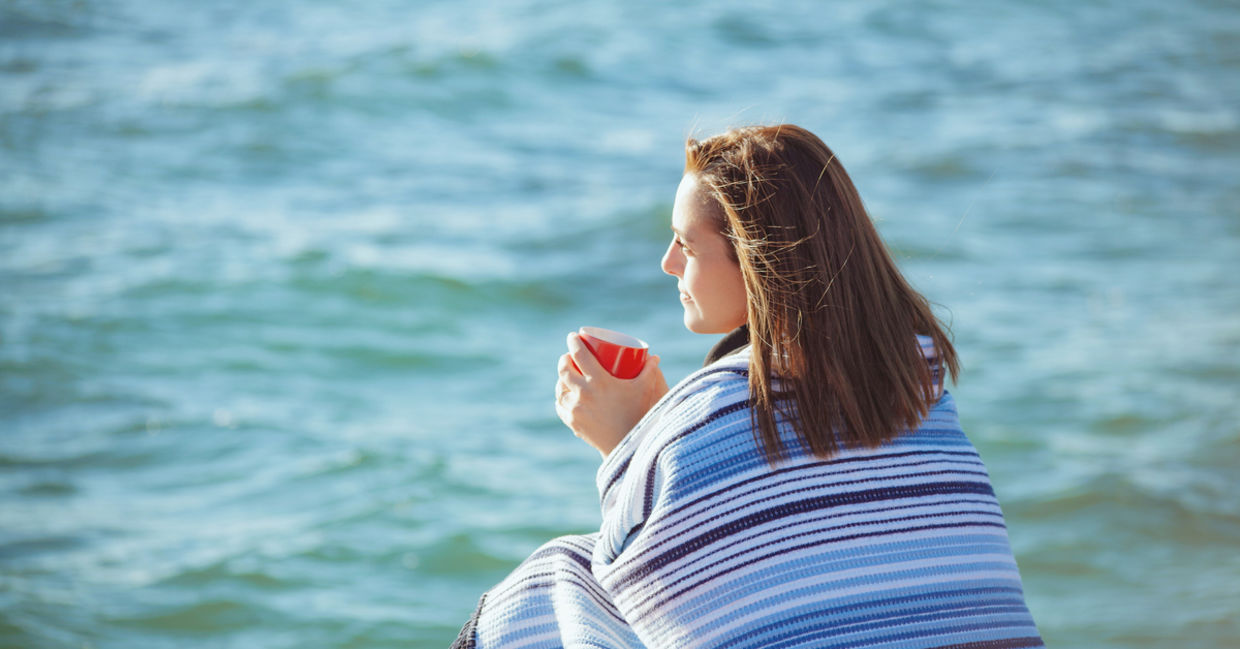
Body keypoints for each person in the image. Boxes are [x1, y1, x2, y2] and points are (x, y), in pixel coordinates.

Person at [452, 125, 1043, 649]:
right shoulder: (920, 393)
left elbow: (663, 611)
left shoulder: (705, 418)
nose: (667, 263)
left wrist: (628, 443)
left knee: (554, 585)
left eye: (686, 243)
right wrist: (656, 433)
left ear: (756, 260)